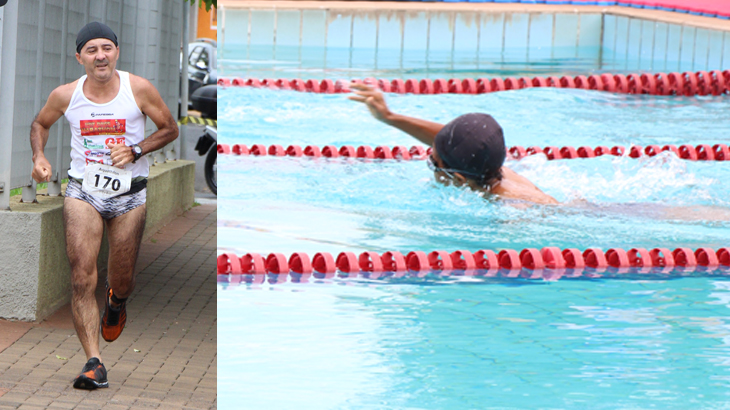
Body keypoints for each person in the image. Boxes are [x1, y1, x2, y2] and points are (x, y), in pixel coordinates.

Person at [29, 22, 178, 389]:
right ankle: (92, 363)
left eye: (107, 48)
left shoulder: (137, 88)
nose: (100, 55)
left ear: (116, 53)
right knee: (82, 277)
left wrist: (137, 149)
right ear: (79, 56)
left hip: (130, 194)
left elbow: (170, 128)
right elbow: (40, 123)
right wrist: (39, 157)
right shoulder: (66, 95)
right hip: (83, 191)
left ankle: (117, 301)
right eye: (92, 49)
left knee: (121, 278)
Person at [349, 83, 558, 205]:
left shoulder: (511, 211)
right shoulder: (487, 167)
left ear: (457, 178)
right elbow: (456, 141)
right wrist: (389, 117)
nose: (430, 166)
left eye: (432, 162)